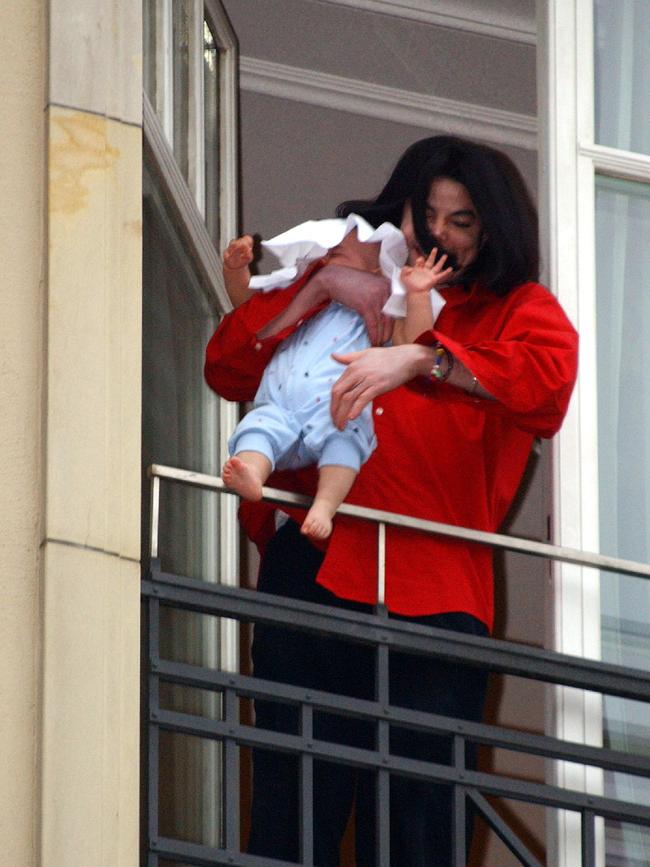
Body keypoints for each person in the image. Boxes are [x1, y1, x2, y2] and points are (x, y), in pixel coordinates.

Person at [204, 135, 579, 866]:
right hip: (312, 567)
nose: (438, 232)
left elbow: (545, 386)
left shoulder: (515, 311)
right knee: (291, 812)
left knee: (417, 828)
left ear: (492, 227)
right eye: (426, 211)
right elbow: (227, 365)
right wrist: (319, 288)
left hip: (434, 596)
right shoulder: (350, 272)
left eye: (462, 220)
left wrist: (424, 354)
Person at [221, 215, 452, 539]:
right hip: (279, 405)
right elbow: (249, 310)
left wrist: (416, 294)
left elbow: (413, 343)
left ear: (377, 268)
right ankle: (252, 476)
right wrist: (236, 271)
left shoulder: (383, 308)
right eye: (325, 252)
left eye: (340, 250)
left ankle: (325, 507)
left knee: (346, 441)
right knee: (258, 429)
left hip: (337, 408)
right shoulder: (304, 300)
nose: (327, 255)